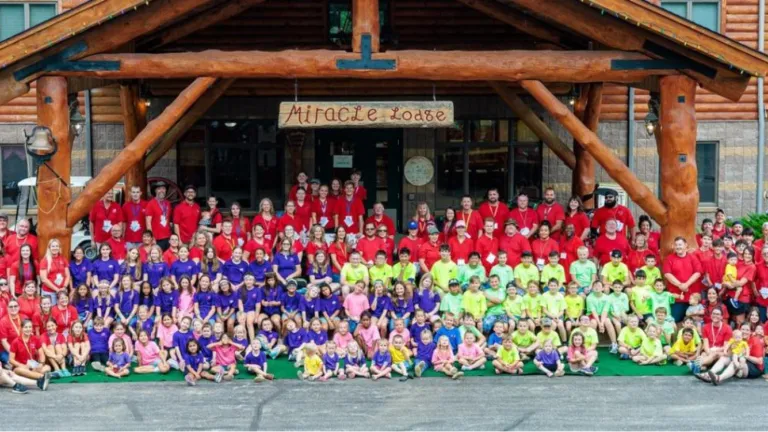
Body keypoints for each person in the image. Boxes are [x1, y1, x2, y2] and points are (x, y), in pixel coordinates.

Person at [663, 237, 702, 322]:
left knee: (695, 321)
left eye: (680, 244)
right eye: (676, 245)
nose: (678, 247)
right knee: (674, 320)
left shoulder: (693, 258)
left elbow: (698, 272)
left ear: (685, 245)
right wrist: (680, 285)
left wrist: (686, 284)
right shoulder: (669, 258)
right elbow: (667, 274)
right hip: (677, 297)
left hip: (693, 298)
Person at [145, 183, 173, 250]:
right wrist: (151, 238)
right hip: (157, 238)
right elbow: (148, 222)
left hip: (168, 237)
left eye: (163, 188)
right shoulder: (151, 204)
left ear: (165, 190)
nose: (161, 190)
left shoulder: (168, 203)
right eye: (159, 189)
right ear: (155, 191)